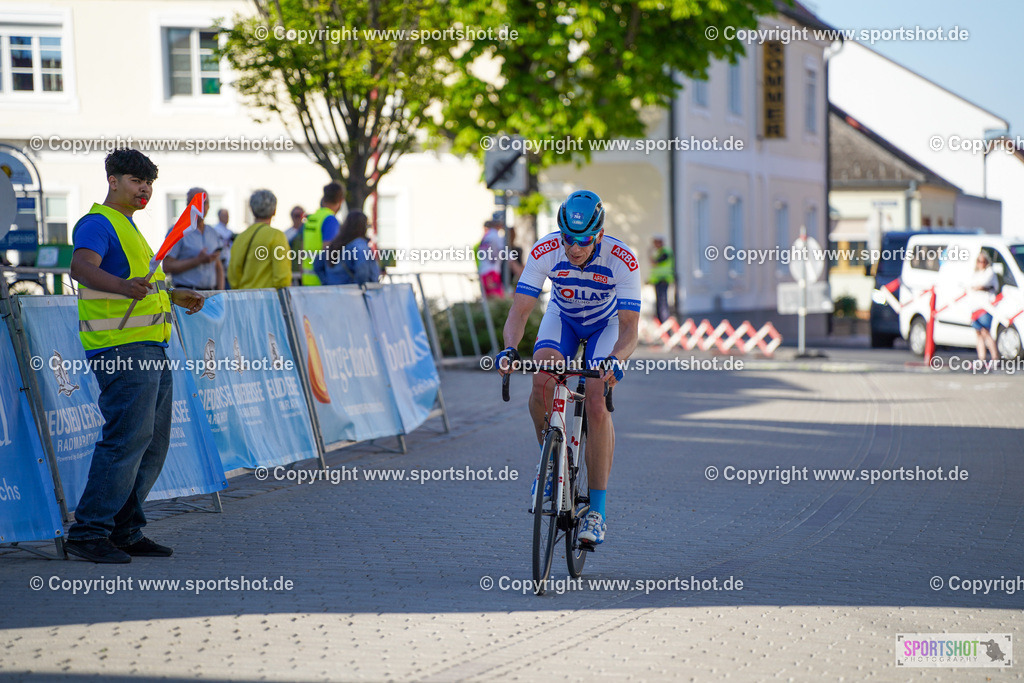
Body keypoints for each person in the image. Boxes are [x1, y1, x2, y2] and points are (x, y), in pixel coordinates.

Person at [65, 148, 205, 564]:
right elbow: (80, 268)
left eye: (148, 183)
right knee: (127, 440)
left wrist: (172, 294)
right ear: (113, 181)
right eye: (135, 181)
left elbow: (143, 285)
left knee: (152, 443)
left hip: (150, 348)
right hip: (122, 349)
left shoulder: (129, 228)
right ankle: (89, 532)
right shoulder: (98, 223)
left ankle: (124, 530)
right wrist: (123, 288)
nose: (144, 188)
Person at [495, 190, 640, 546]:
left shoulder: (622, 260)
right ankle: (551, 464)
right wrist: (509, 349)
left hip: (605, 327)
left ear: (599, 236)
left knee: (595, 401)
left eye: (583, 241)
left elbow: (630, 329)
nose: (574, 248)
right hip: (563, 319)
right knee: (541, 381)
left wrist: (616, 361)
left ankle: (597, 511)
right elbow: (520, 311)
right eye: (568, 239)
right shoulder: (545, 251)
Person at [162, 187, 225, 291]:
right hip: (186, 295)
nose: (202, 207)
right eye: (197, 202)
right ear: (188, 205)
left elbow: (218, 266)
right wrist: (198, 261)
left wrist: (220, 294)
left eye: (205, 203)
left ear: (209, 206)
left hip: (211, 296)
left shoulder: (213, 233)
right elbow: (167, 266)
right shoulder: (177, 231)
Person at [229, 190, 291, 289]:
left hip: (244, 298)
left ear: (252, 210)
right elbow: (282, 277)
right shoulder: (277, 236)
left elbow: (233, 276)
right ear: (274, 211)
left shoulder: (240, 238)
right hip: (268, 299)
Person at [313, 210, 380, 285]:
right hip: (352, 293)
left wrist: (327, 282)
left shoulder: (335, 243)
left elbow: (317, 264)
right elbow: (362, 272)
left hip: (333, 292)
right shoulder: (360, 245)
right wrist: (358, 287)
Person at [301, 182, 345, 285]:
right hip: (322, 281)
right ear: (340, 201)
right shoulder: (330, 220)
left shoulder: (311, 218)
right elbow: (328, 250)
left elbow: (302, 250)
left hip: (307, 279)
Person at [969, 250, 1000, 362]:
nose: (980, 263)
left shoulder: (990, 272)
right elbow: (971, 286)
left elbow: (982, 284)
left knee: (986, 332)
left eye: (983, 261)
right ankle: (981, 358)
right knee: (978, 333)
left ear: (987, 262)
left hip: (985, 306)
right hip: (975, 306)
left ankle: (995, 357)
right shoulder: (975, 273)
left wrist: (976, 287)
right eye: (979, 261)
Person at [648, 234, 674, 322]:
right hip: (658, 280)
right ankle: (661, 321)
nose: (654, 244)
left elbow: (657, 262)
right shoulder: (659, 252)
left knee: (662, 303)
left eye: (655, 242)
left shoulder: (665, 251)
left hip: (663, 279)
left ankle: (664, 322)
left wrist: (651, 253)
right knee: (659, 303)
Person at [477, 219, 505, 297]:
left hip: (484, 270)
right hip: (492, 270)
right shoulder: (495, 236)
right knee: (497, 296)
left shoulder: (486, 236)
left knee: (488, 297)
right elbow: (505, 252)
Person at [210, 208, 233, 287]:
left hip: (229, 265)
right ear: (219, 217)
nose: (227, 218)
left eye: (227, 216)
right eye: (224, 215)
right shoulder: (215, 230)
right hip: (220, 263)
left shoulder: (229, 231)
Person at [286, 206, 306, 285]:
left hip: (305, 273)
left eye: (300, 215)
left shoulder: (307, 231)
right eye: (295, 215)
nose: (298, 218)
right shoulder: (287, 234)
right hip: (293, 273)